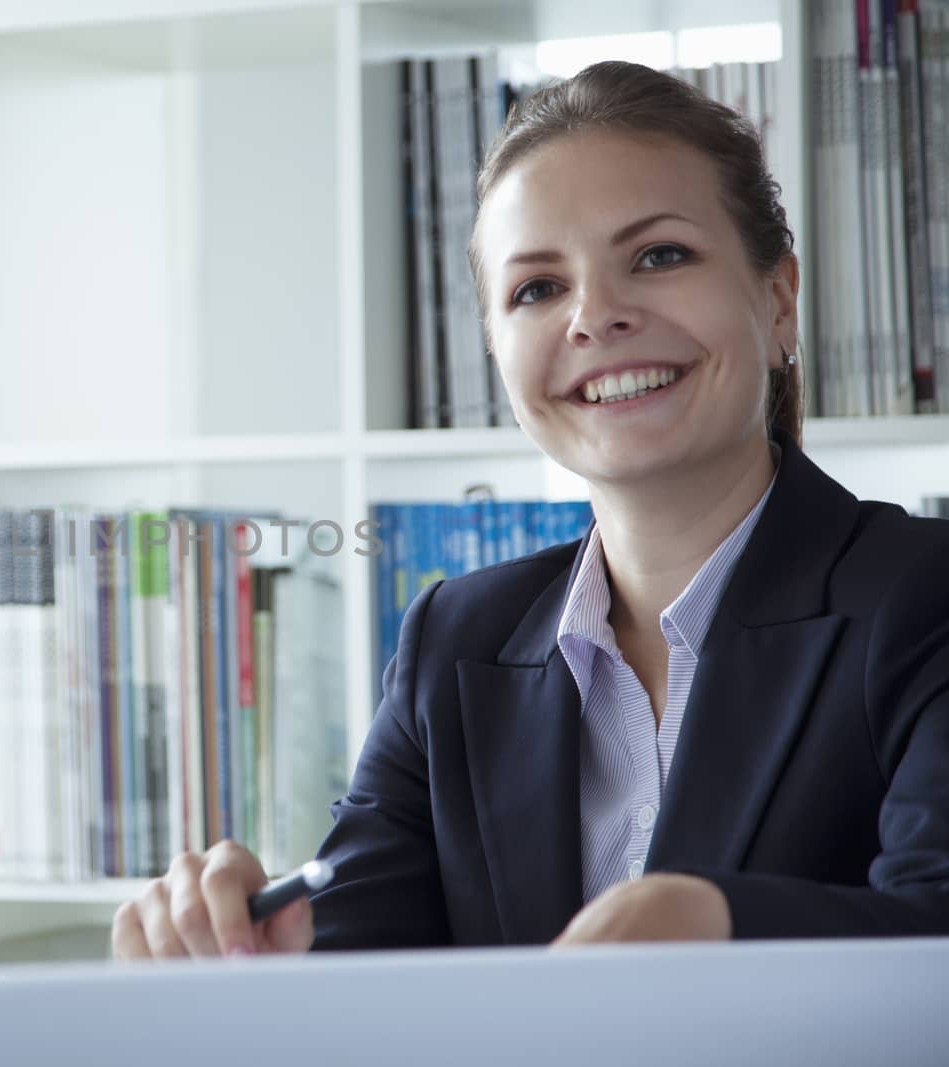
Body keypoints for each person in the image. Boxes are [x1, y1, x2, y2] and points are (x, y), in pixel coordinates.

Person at [112, 60, 949, 960]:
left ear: (779, 299)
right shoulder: (453, 641)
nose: (595, 316)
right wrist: (234, 941)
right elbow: (350, 969)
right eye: (537, 289)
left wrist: (713, 921)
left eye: (659, 256)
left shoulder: (923, 596)